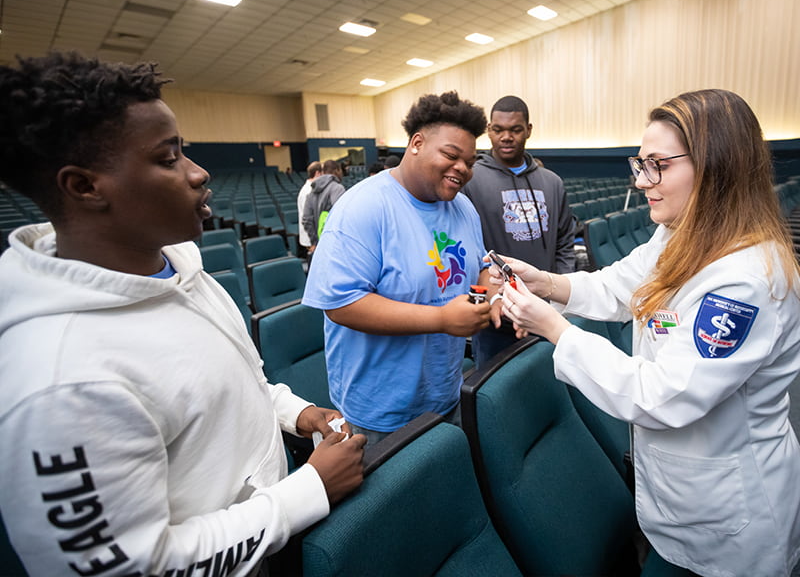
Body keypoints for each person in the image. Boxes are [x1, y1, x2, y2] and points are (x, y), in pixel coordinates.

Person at [0, 51, 366, 574]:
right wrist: (308, 492)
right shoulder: (61, 384)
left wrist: (295, 413)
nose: (197, 173)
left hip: (264, 541)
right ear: (84, 187)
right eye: (168, 157)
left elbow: (233, 383)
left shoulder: (182, 273)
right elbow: (128, 567)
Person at [493, 89, 800, 576]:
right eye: (641, 163)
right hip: (680, 501)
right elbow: (620, 286)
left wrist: (556, 330)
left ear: (715, 165)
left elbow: (663, 395)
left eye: (658, 164)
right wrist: (547, 282)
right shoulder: (681, 231)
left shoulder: (746, 280)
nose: (642, 181)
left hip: (731, 519)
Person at [302, 91, 493, 448]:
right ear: (417, 143)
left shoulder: (464, 208)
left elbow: (478, 267)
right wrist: (441, 320)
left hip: (445, 395)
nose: (463, 169)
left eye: (470, 161)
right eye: (451, 155)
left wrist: (489, 289)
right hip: (378, 413)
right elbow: (341, 304)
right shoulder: (362, 207)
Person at [462, 95, 574, 368]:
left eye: (515, 129)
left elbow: (564, 243)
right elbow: (469, 253)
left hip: (547, 310)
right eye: (498, 130)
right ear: (489, 130)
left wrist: (558, 296)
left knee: (549, 390)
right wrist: (497, 299)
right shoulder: (471, 180)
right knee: (496, 399)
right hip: (496, 316)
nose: (506, 137)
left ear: (528, 130)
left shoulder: (551, 182)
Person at [302, 159, 345, 260]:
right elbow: (341, 217)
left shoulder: (311, 192)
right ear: (337, 170)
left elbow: (306, 219)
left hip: (320, 245)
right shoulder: (337, 188)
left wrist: (314, 242)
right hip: (336, 246)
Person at [297, 160, 322, 257]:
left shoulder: (312, 189)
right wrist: (313, 242)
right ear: (317, 173)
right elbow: (307, 219)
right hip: (311, 240)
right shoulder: (308, 191)